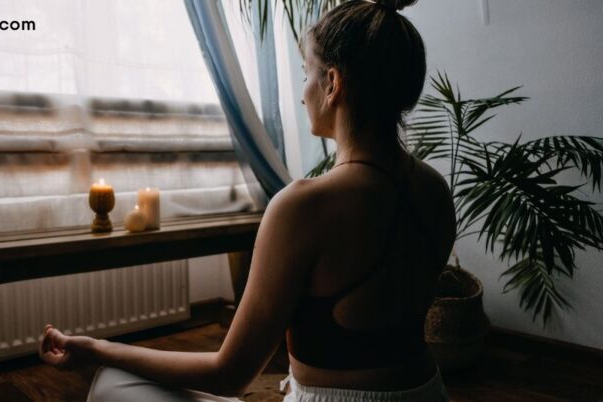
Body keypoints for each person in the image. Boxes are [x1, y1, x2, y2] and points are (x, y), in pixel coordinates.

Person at [39, 0, 456, 400]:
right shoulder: (435, 189)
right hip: (428, 393)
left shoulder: (304, 206)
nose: (301, 93)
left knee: (115, 382)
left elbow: (229, 375)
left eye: (305, 73)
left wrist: (96, 348)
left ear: (332, 84)